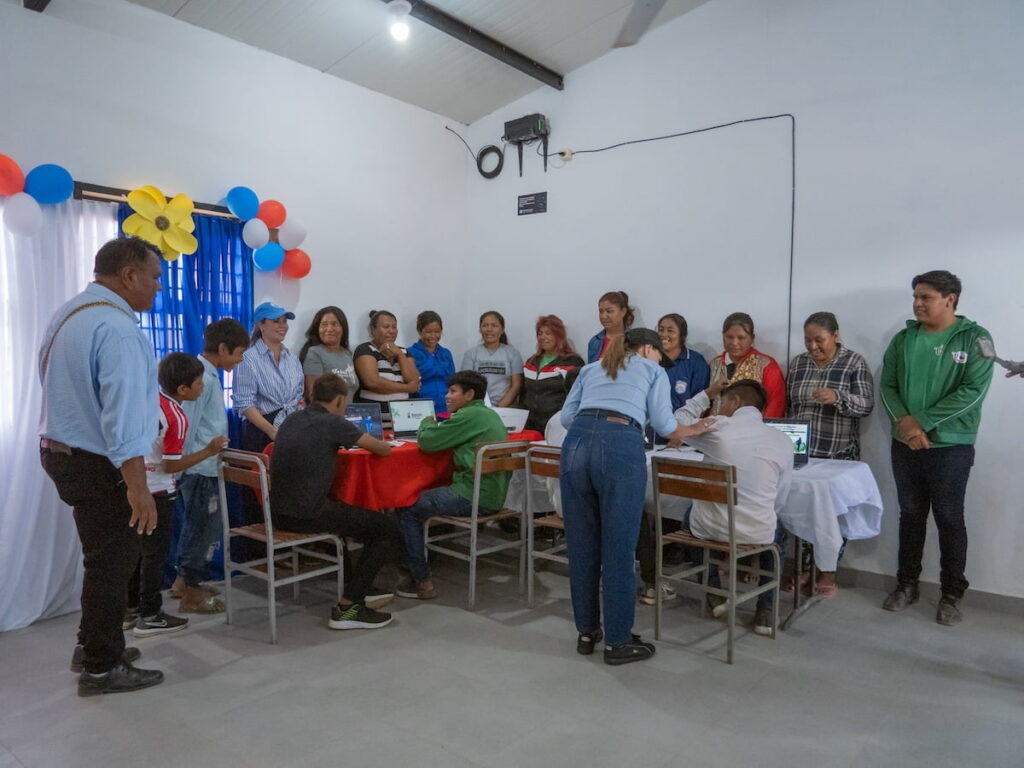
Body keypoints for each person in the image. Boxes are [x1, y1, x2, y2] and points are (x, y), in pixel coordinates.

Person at [39, 236, 165, 696]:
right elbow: (123, 417)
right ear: (129, 276)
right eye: (153, 277)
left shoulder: (69, 313)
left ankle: (92, 644)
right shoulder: (118, 329)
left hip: (61, 451)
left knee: (102, 559)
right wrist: (138, 487)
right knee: (114, 564)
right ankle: (100, 667)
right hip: (98, 462)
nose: (158, 287)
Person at [559, 329, 715, 665]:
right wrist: (696, 429)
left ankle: (587, 631)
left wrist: (594, 428)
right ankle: (617, 641)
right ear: (647, 349)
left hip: (575, 446)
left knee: (582, 547)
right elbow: (664, 424)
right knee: (618, 549)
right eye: (660, 354)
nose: (661, 361)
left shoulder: (590, 369)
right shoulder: (652, 370)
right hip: (619, 446)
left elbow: (567, 417)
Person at [880, 270, 994, 626]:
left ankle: (951, 595)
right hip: (906, 443)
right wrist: (906, 424)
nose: (917, 303)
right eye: (915, 296)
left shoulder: (975, 337)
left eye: (925, 297)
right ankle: (907, 584)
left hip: (951, 446)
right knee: (910, 514)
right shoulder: (904, 339)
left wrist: (922, 422)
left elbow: (973, 391)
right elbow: (887, 385)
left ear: (950, 299)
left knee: (949, 517)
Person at [270, 374, 399, 630]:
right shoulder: (333, 423)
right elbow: (382, 449)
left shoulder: (292, 418)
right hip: (308, 514)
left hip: (277, 512)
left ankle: (357, 586)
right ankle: (349, 607)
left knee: (347, 514)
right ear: (340, 400)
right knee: (386, 527)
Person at [673, 380, 794, 637]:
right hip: (757, 533)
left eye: (722, 402)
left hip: (707, 529)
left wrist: (706, 394)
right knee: (779, 532)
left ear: (734, 402)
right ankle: (765, 610)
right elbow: (779, 499)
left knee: (690, 514)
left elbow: (675, 423)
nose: (720, 407)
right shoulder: (782, 440)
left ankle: (713, 594)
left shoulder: (718, 426)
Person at [128, 353, 228, 637]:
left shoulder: (152, 402)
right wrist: (208, 451)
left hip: (137, 485)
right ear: (183, 389)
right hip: (158, 491)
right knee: (155, 555)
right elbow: (170, 465)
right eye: (199, 383)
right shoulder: (177, 416)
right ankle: (150, 614)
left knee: (138, 552)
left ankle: (130, 608)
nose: (203, 388)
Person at [394, 371, 510, 600]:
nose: (447, 396)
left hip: (472, 495)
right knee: (423, 499)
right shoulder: (489, 415)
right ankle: (424, 561)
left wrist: (427, 421)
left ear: (470, 394)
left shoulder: (467, 416)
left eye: (453, 391)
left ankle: (418, 580)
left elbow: (428, 441)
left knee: (406, 506)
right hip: (493, 494)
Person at [785, 311, 875, 597]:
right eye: (807, 340)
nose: (813, 346)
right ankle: (804, 568)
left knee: (831, 517)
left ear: (835, 335)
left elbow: (866, 405)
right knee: (801, 513)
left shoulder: (854, 363)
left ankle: (827, 571)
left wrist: (838, 397)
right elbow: (789, 407)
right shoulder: (798, 363)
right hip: (802, 454)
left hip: (837, 454)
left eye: (819, 340)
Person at [171, 318, 250, 614]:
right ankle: (192, 594)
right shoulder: (200, 378)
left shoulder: (210, 375)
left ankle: (183, 583)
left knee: (196, 527)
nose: (240, 360)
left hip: (202, 466)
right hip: (198, 469)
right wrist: (180, 467)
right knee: (202, 530)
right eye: (239, 353)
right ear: (223, 348)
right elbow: (187, 426)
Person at [233, 302, 304, 453]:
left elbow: (299, 396)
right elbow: (245, 403)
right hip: (260, 430)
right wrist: (271, 431)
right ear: (261, 324)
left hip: (289, 428)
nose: (283, 326)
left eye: (284, 321)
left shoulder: (292, 359)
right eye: (276, 321)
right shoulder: (248, 358)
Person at [708, 312, 786, 418]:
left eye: (741, 338)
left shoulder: (766, 365)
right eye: (729, 337)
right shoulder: (714, 364)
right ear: (723, 336)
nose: (734, 343)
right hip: (714, 427)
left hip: (753, 427)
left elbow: (775, 405)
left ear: (752, 338)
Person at [520, 315, 585, 433]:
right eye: (540, 333)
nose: (543, 337)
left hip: (557, 426)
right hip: (530, 426)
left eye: (548, 333)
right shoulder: (531, 362)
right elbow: (523, 395)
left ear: (559, 335)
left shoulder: (573, 362)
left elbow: (577, 397)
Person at [353, 309, 421, 410]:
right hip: (374, 414)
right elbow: (373, 383)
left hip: (402, 414)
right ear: (373, 330)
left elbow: (415, 381)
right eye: (386, 327)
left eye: (394, 327)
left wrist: (400, 355)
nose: (391, 331)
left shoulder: (404, 352)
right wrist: (407, 388)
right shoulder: (365, 349)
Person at [461, 310, 524, 407]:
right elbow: (466, 384)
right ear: (480, 329)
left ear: (502, 330)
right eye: (485, 325)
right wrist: (481, 407)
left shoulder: (513, 353)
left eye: (494, 325)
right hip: (478, 407)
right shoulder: (470, 354)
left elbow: (516, 386)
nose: (489, 329)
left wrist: (499, 407)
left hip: (505, 408)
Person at [298, 306, 358, 401]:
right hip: (326, 411)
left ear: (343, 328)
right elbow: (313, 395)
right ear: (318, 329)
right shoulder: (315, 353)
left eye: (334, 324)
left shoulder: (347, 354)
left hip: (351, 410)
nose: (329, 329)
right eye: (324, 325)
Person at [408, 310, 456, 415]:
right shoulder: (410, 353)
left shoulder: (446, 353)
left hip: (446, 407)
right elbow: (411, 381)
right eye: (428, 332)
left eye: (437, 332)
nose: (433, 336)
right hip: (421, 408)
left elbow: (453, 382)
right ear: (419, 331)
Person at [587, 290, 634, 363]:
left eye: (609, 311)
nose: (604, 316)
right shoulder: (594, 341)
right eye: (601, 312)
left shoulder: (634, 340)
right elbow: (590, 368)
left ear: (623, 312)